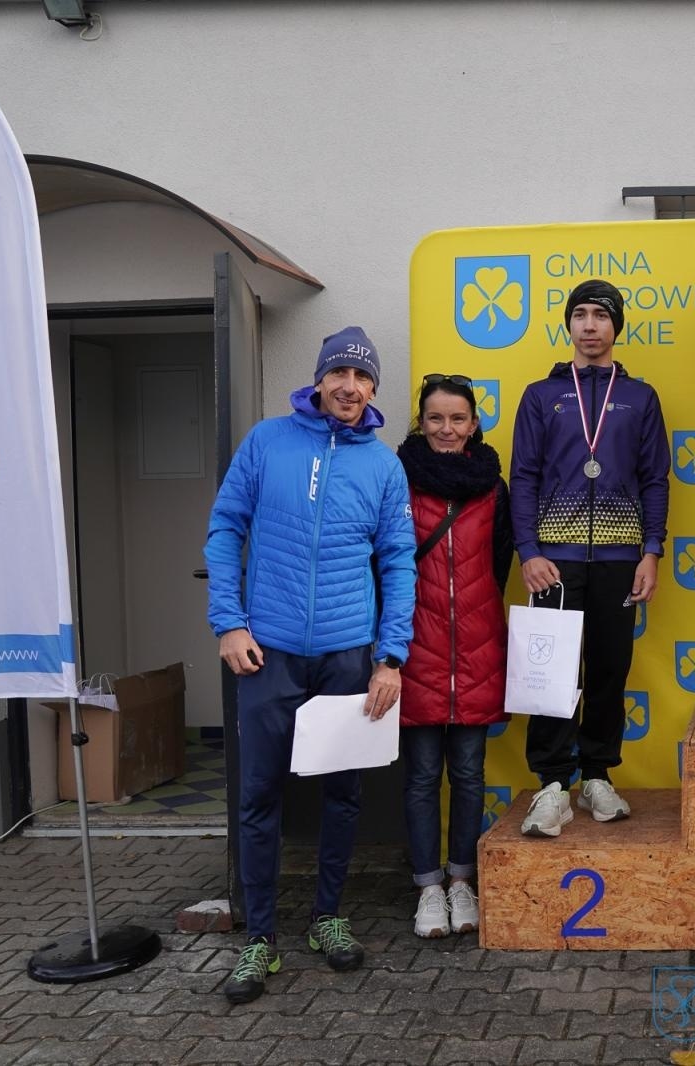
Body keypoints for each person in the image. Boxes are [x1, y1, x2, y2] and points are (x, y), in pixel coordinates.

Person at [204, 326, 415, 1005]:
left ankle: (327, 915)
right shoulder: (267, 442)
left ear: (374, 391)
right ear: (319, 380)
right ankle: (260, 937)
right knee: (260, 793)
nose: (350, 387)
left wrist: (390, 657)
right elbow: (225, 526)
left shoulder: (383, 465)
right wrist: (229, 622)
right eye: (340, 375)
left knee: (343, 794)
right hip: (267, 651)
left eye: (363, 378)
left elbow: (398, 561)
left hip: (349, 654)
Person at [509, 279, 670, 838]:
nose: (590, 325)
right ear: (569, 325)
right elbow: (523, 476)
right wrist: (527, 550)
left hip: (621, 556)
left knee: (608, 668)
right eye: (580, 315)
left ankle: (597, 774)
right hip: (554, 555)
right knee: (550, 672)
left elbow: (655, 478)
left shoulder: (641, 397)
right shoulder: (540, 396)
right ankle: (552, 784)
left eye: (601, 315)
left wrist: (651, 552)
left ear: (616, 326)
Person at [396, 374, 512, 938]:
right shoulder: (396, 480)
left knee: (468, 773)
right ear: (421, 422)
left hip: (477, 648)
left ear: (474, 424)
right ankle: (428, 887)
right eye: (436, 418)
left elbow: (501, 564)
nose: (447, 429)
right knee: (420, 776)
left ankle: (463, 881)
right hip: (413, 647)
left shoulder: (494, 486)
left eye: (458, 418)